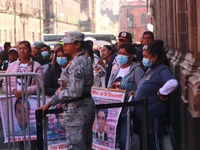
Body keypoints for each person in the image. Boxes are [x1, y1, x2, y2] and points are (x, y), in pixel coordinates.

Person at [38, 31, 95, 150]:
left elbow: (74, 91)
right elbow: (64, 87)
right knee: (84, 145)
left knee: (75, 146)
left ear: (77, 45)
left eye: (67, 43)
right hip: (81, 108)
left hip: (78, 110)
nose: (64, 46)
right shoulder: (80, 60)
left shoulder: (77, 63)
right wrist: (49, 104)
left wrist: (59, 98)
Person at [131, 41, 178, 150]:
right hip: (144, 115)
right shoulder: (152, 68)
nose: (144, 59)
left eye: (146, 56)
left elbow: (173, 83)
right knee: (147, 142)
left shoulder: (162, 69)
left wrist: (161, 92)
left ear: (154, 57)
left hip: (152, 114)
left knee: (154, 142)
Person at [107, 43, 145, 150]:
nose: (120, 56)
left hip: (126, 111)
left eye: (124, 54)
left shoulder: (137, 70)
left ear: (131, 56)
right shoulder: (116, 68)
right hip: (113, 110)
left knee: (125, 139)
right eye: (119, 53)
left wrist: (135, 92)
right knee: (115, 138)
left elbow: (142, 88)